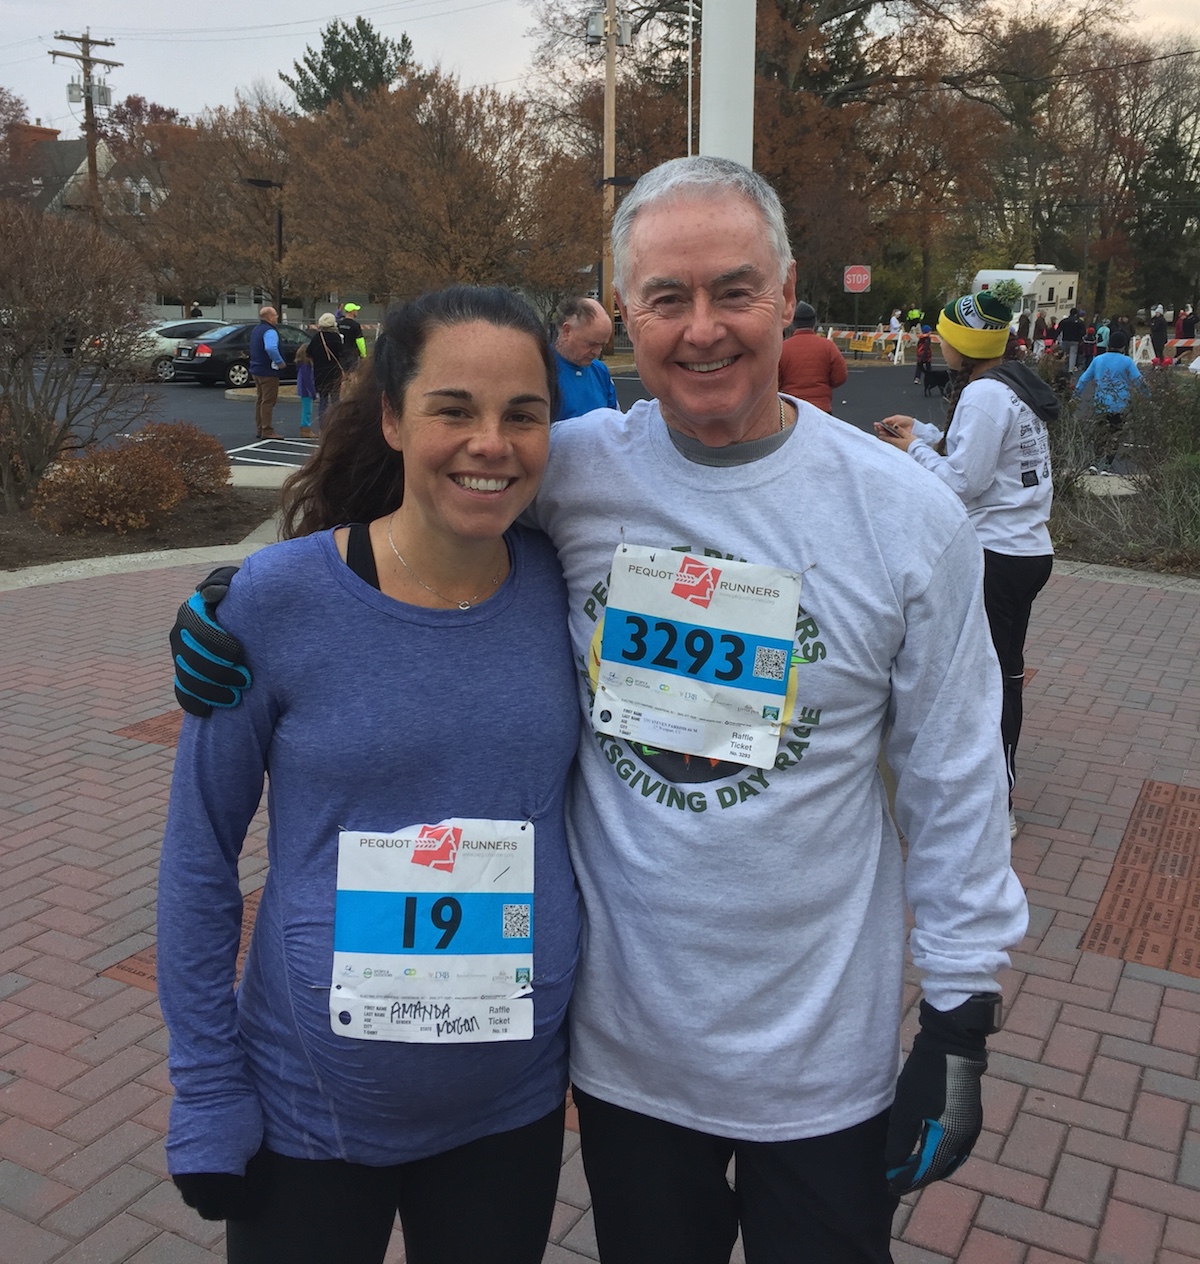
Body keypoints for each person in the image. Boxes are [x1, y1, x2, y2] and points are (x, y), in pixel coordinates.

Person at [171, 156, 1027, 1264]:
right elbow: (414, 499)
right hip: (626, 1064)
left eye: (735, 290)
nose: (703, 328)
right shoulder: (577, 469)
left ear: (787, 290)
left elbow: (957, 780)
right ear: (627, 312)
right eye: (667, 298)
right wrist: (233, 598)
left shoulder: (908, 519)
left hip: (819, 1062)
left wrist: (960, 1020)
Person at [161, 287, 580, 1264]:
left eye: (524, 414)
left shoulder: (569, 587)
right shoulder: (273, 603)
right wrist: (208, 1090)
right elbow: (197, 862)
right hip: (306, 1114)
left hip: (509, 1114)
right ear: (392, 418)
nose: (493, 442)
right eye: (454, 409)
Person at [875, 290, 1059, 836]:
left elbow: (962, 482)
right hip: (1025, 548)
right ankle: (980, 786)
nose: (936, 342)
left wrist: (910, 449)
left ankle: (997, 808)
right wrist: (926, 434)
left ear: (962, 342)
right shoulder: (1011, 385)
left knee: (994, 680)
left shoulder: (982, 395)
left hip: (997, 553)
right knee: (1000, 671)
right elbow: (981, 456)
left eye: (943, 335)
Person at [1075, 333, 1148, 471]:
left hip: (1101, 402)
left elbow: (1084, 378)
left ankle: (1095, 462)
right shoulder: (1127, 361)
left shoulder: (1098, 359)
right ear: (1123, 346)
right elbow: (1138, 380)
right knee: (1115, 434)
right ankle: (1107, 464)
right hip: (1119, 403)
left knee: (1100, 431)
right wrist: (1148, 395)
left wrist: (1076, 393)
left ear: (1109, 345)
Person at [551, 297, 620, 421]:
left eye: (602, 345)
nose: (597, 352)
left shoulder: (600, 371)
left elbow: (615, 422)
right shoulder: (540, 369)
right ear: (567, 331)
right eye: (591, 344)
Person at [777, 300, 847, 411]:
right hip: (821, 407)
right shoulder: (828, 346)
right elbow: (840, 376)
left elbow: (775, 380)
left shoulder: (783, 348)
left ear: (794, 322)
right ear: (814, 322)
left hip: (792, 408)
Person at [249, 306, 287, 440]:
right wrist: (279, 361)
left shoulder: (256, 330)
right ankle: (267, 429)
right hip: (268, 370)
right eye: (275, 315)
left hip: (256, 369)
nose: (277, 317)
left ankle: (260, 427)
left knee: (260, 399)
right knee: (268, 401)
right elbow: (270, 348)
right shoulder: (270, 331)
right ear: (269, 317)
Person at [307, 313, 346, 422]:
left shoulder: (316, 337)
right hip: (334, 372)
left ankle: (322, 425)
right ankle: (335, 423)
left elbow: (308, 352)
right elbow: (342, 353)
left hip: (319, 373)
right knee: (335, 399)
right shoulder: (336, 337)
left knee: (323, 400)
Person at [294, 341, 316, 438]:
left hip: (303, 389)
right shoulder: (306, 366)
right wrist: (312, 392)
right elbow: (308, 380)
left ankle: (305, 428)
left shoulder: (301, 365)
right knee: (307, 410)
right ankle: (305, 428)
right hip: (306, 390)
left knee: (307, 409)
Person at [1057, 306, 1085, 373]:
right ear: (1076, 314)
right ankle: (1071, 369)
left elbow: (1058, 330)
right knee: (1073, 354)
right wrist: (1079, 338)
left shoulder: (1064, 321)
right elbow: (1083, 332)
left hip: (1065, 339)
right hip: (1075, 340)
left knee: (1065, 354)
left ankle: (1064, 368)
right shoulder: (1079, 322)